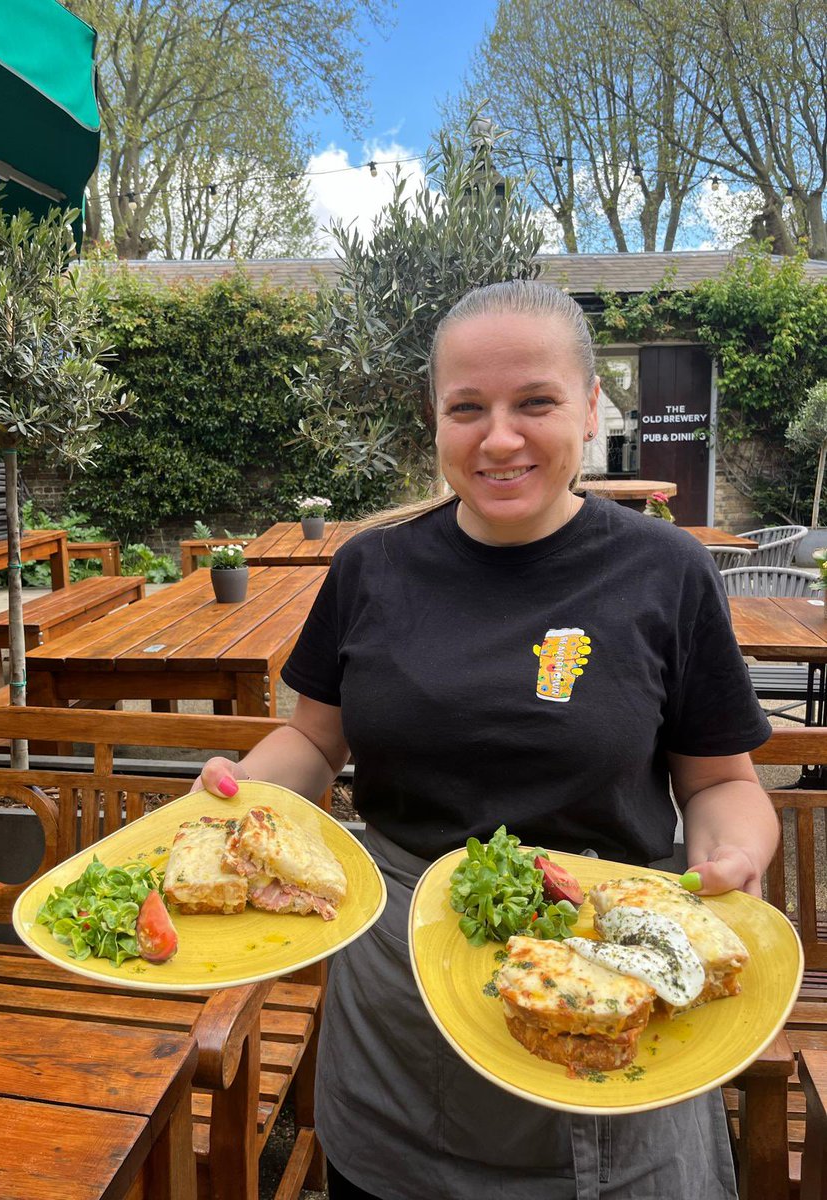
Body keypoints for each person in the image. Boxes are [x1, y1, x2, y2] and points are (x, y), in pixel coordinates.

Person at [196, 280, 779, 1199]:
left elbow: (719, 784)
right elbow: (312, 740)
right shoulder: (371, 567)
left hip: (616, 960)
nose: (498, 437)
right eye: (466, 408)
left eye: (535, 402)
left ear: (591, 409)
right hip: (402, 980)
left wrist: (733, 857)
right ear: (434, 419)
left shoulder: (666, 570)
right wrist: (239, 795)